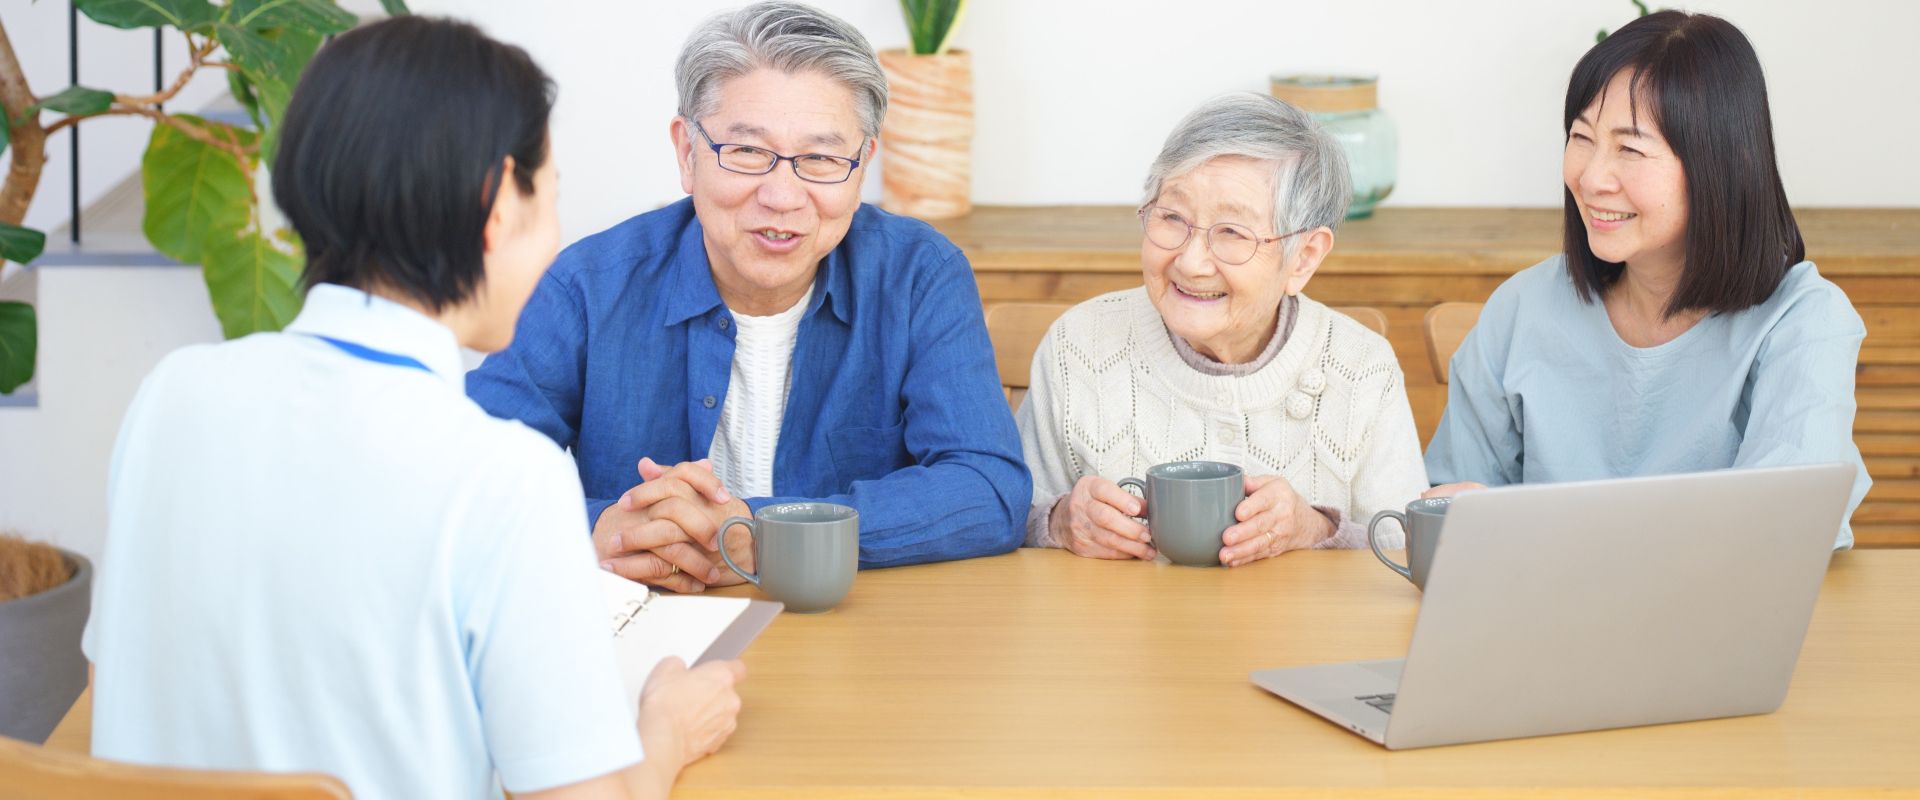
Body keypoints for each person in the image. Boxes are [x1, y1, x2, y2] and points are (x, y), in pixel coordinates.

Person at [84, 17, 742, 799]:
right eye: (551, 196)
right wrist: (665, 731)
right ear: (498, 205)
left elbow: (110, 696)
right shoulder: (504, 476)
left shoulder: (172, 395)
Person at [468, 2, 1029, 591]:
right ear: (687, 152)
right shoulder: (589, 284)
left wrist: (762, 535)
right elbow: (457, 475)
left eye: (820, 158)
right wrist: (594, 529)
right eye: (747, 152)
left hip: (852, 637)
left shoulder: (919, 274)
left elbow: (988, 489)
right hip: (652, 631)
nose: (783, 196)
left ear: (863, 163)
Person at [1423, 11, 1870, 548]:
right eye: (1581, 137)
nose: (1590, 178)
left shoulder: (1803, 321)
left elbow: (1781, 530)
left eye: (1630, 149)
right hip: (1539, 622)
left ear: (1720, 164)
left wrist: (1530, 528)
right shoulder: (1521, 307)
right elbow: (1447, 508)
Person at [1017, 93, 1428, 566]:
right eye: (1172, 218)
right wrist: (1057, 521)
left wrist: (1315, 529)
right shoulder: (1080, 345)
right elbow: (1006, 514)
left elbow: (1407, 548)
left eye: (1232, 232)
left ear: (1304, 257)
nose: (1191, 262)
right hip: (1122, 636)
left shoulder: (1361, 368)